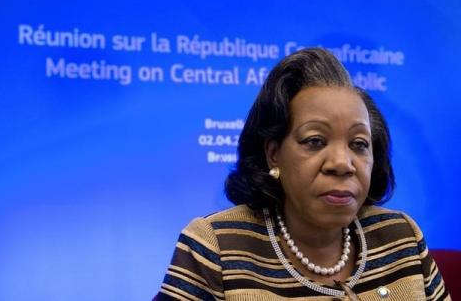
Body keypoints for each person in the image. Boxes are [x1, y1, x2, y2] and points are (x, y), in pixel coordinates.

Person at [157, 48, 451, 300]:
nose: (342, 163)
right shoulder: (215, 248)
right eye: (315, 141)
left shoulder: (402, 238)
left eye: (359, 144)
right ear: (273, 153)